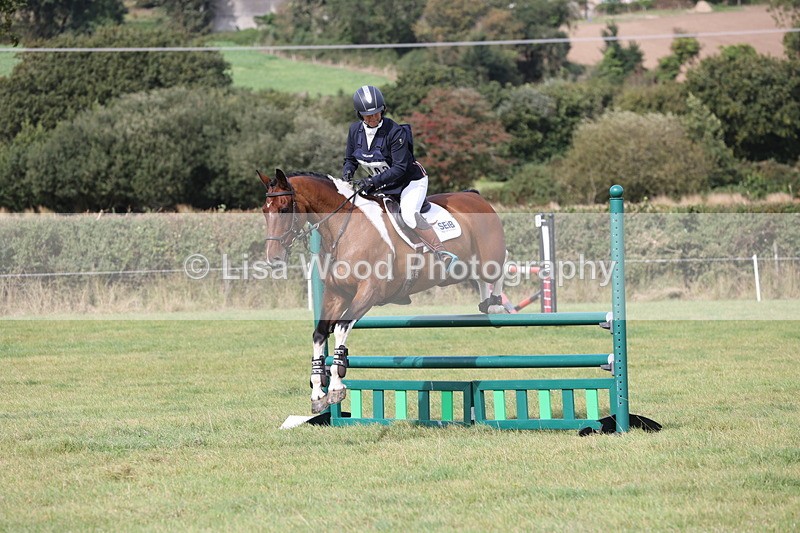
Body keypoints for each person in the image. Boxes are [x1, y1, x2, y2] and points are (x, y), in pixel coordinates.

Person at [342, 85, 457, 269]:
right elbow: (350, 159)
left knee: (409, 214)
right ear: (359, 115)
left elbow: (400, 168)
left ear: (383, 110)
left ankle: (441, 252)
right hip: (383, 185)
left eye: (377, 113)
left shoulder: (395, 132)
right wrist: (348, 171)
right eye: (368, 115)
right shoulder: (355, 131)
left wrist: (371, 181)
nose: (373, 118)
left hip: (409, 182)